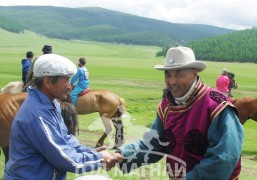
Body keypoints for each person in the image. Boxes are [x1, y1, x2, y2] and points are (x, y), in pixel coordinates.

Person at [115, 47, 243, 179]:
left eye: (179, 74)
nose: (172, 81)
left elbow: (225, 157)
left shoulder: (216, 105)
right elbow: (153, 144)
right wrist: (121, 155)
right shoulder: (166, 106)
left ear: (194, 73)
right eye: (168, 74)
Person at [4, 54, 122, 180]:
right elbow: (64, 158)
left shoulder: (52, 104)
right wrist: (100, 158)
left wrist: (89, 152)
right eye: (65, 80)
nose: (69, 86)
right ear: (47, 81)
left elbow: (65, 139)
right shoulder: (37, 115)